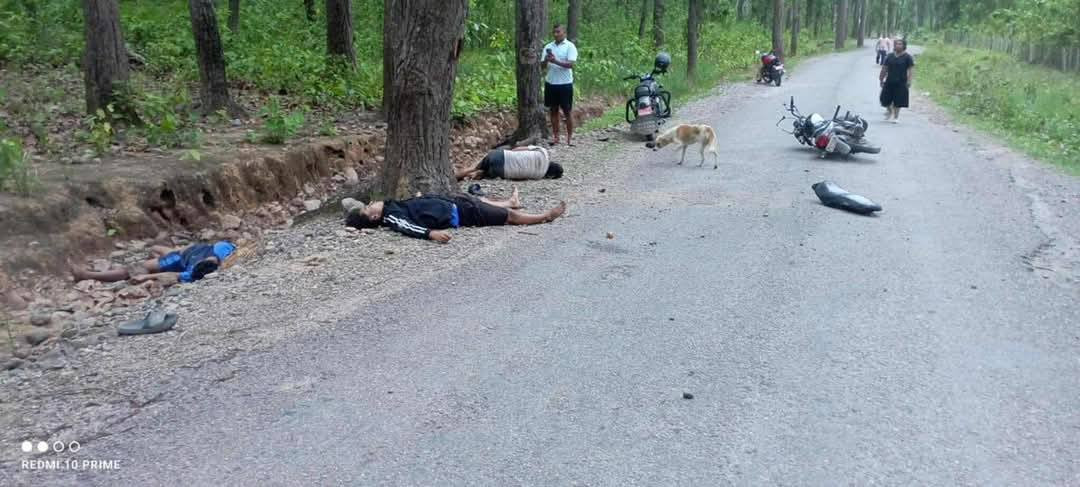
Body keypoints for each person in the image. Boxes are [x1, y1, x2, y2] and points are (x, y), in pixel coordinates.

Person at [342, 189, 566, 243]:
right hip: (458, 214)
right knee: (507, 216)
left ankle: (518, 207)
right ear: (373, 218)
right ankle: (543, 217)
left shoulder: (393, 205)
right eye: (368, 208)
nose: (371, 204)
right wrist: (431, 234)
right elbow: (408, 227)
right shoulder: (391, 216)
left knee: (489, 205)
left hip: (455, 203)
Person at [72, 241, 237, 285]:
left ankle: (85, 275)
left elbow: (172, 275)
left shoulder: (193, 272)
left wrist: (145, 277)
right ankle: (155, 249)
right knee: (158, 248)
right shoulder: (224, 251)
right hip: (181, 252)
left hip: (178, 258)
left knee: (131, 270)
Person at [541, 24, 578, 147]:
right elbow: (542, 67)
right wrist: (546, 60)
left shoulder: (570, 46)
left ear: (564, 33)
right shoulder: (548, 46)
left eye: (558, 32)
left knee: (567, 111)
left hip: (565, 84)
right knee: (553, 111)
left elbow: (570, 65)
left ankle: (570, 138)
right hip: (551, 83)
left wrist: (555, 61)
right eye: (554, 32)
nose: (556, 34)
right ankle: (556, 137)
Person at [455, 145, 563, 181]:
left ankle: (455, 176)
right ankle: (480, 174)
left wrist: (510, 153)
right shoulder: (538, 176)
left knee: (474, 167)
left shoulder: (543, 152)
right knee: (485, 172)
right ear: (550, 175)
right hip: (501, 172)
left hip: (501, 157)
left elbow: (519, 149)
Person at [879, 38, 915, 123]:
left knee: (898, 100)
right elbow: (884, 68)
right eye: (896, 44)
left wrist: (909, 81)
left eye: (900, 44)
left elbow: (911, 70)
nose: (898, 45)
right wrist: (881, 78)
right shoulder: (890, 56)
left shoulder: (907, 57)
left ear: (904, 46)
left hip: (901, 82)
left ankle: (896, 117)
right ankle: (890, 110)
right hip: (889, 81)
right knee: (883, 99)